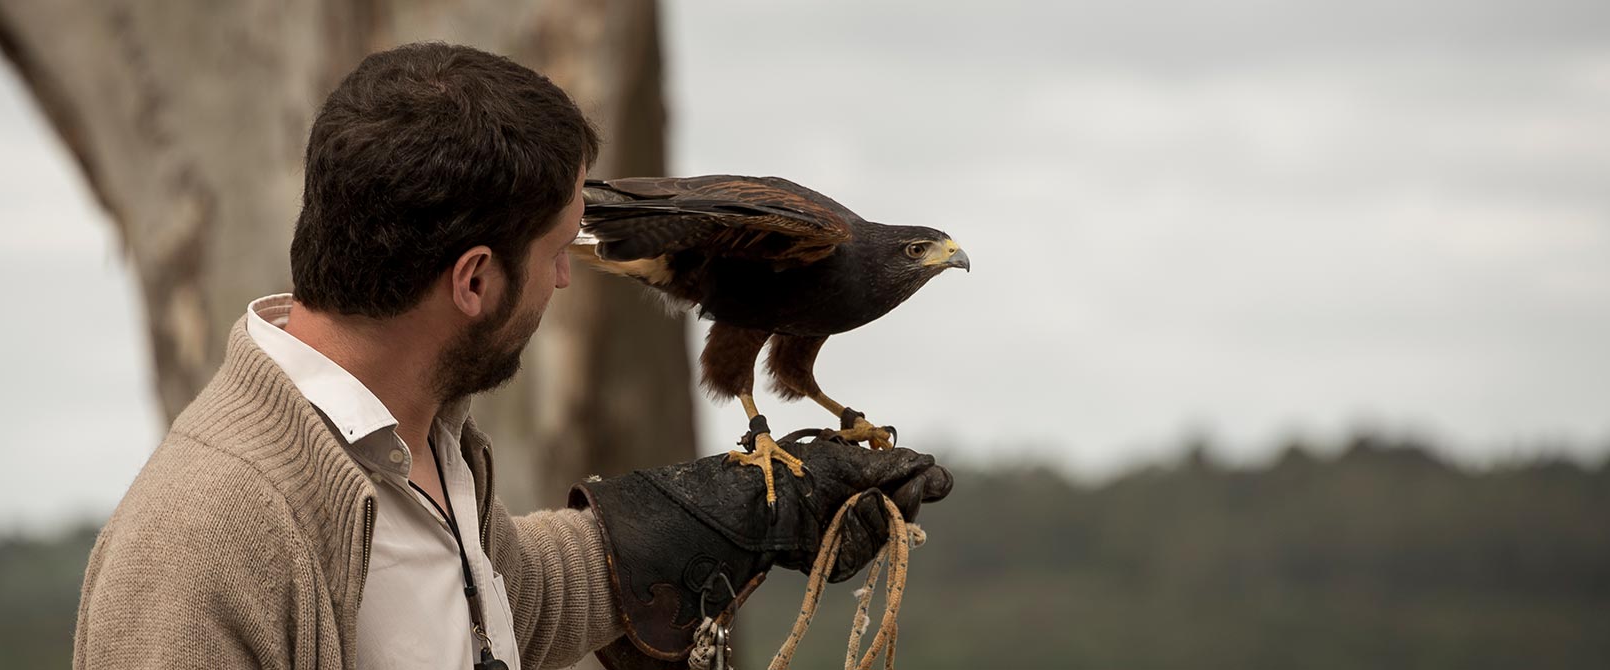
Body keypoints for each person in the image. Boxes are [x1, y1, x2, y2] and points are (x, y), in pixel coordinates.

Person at [71, 42, 951, 670]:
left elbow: (497, 605)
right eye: (559, 251)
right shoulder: (205, 540)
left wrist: (733, 517)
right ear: (475, 281)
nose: (567, 280)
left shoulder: (421, 445)